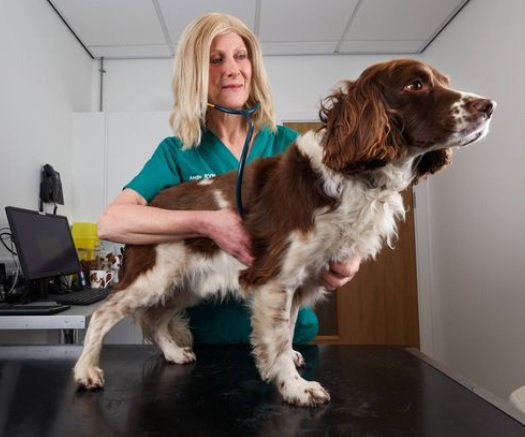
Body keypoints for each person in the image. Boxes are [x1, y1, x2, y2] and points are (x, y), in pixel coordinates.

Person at [98, 12, 361, 344]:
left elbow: (337, 214)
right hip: (210, 345)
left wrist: (349, 256)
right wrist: (206, 223)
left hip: (288, 341)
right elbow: (111, 223)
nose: (232, 69)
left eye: (240, 56)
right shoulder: (177, 152)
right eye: (215, 59)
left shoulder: (289, 145)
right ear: (195, 74)